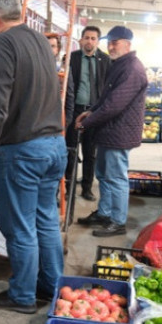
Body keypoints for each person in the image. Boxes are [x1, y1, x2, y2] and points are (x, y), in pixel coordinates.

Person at [0, 0, 67, 314]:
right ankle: (50, 288)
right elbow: (30, 86)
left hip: (23, 149)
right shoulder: (39, 40)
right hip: (54, 145)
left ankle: (22, 295)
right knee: (47, 222)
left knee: (20, 227)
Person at [75, 25, 147, 237]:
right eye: (110, 42)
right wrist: (90, 113)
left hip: (120, 133)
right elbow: (106, 97)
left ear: (128, 44)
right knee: (104, 175)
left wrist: (87, 123)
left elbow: (115, 104)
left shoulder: (132, 68)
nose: (111, 45)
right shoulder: (119, 64)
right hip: (109, 131)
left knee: (116, 177)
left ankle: (118, 220)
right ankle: (105, 214)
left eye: (115, 42)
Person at [64, 26, 110, 203]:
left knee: (90, 153)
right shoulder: (72, 58)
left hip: (94, 112)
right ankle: (68, 187)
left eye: (93, 38)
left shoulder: (105, 60)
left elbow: (107, 87)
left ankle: (87, 188)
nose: (89, 41)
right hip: (75, 110)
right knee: (71, 151)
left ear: (98, 41)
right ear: (81, 40)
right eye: (86, 38)